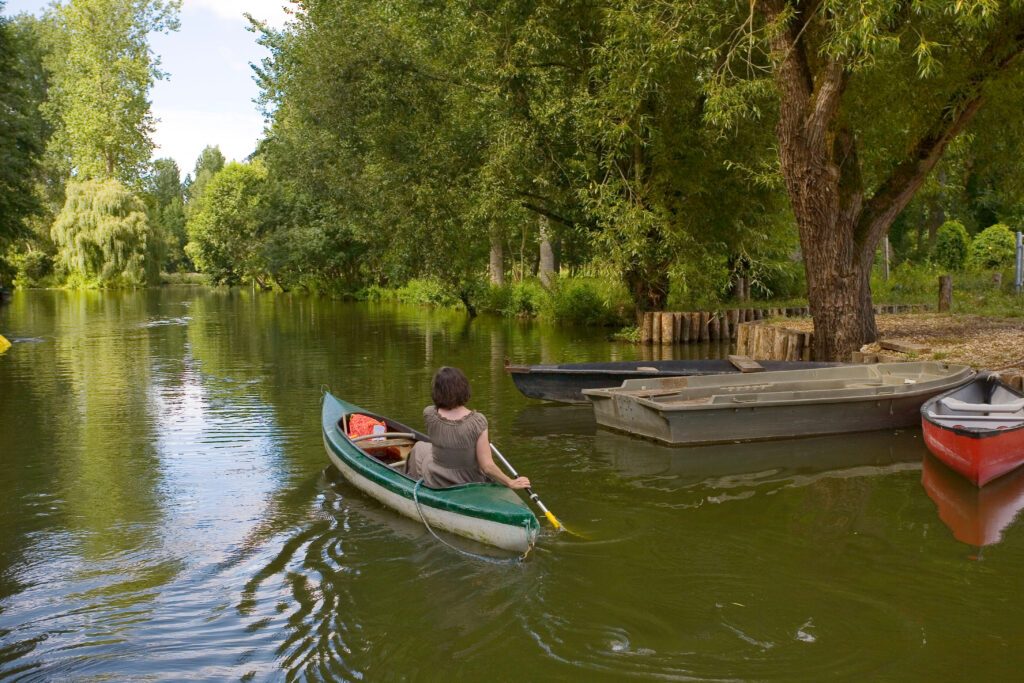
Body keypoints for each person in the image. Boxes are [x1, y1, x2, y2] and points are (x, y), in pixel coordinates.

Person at [405, 366, 531, 490]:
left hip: (439, 479)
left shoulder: (429, 414)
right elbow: (487, 466)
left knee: (418, 447)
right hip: (470, 480)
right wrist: (510, 482)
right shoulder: (478, 421)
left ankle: (411, 485)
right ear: (463, 389)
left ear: (437, 391)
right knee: (421, 447)